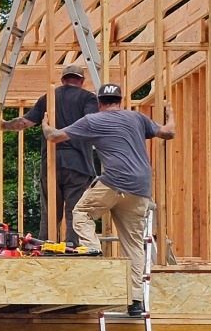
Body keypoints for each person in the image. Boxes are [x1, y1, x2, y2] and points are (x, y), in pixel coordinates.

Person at [41, 83, 175, 317]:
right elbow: (168, 132)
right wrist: (170, 113)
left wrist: (44, 125)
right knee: (133, 244)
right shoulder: (137, 118)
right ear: (120, 101)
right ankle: (135, 301)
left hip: (114, 182)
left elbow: (55, 137)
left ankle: (94, 251)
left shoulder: (93, 120)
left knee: (81, 213)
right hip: (141, 188)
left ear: (100, 103)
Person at [2, 62, 98, 244]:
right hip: (78, 164)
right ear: (82, 81)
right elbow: (92, 123)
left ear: (63, 80)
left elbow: (24, 123)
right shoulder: (88, 99)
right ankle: (72, 250)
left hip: (52, 163)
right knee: (75, 212)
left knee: (50, 212)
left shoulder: (48, 98)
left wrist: (4, 125)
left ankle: (45, 248)